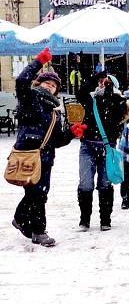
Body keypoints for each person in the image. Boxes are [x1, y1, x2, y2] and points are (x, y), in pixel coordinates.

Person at [11, 48, 84, 247]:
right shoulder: (29, 99)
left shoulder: (54, 112)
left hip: (45, 157)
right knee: (37, 194)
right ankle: (38, 231)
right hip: (28, 154)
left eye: (54, 85)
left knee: (37, 193)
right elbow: (20, 81)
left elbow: (57, 140)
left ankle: (22, 220)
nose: (50, 87)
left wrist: (71, 133)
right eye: (47, 83)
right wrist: (37, 62)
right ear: (39, 83)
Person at [76, 69, 128, 232]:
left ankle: (105, 219)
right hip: (88, 146)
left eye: (106, 82)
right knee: (85, 184)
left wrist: (110, 93)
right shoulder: (91, 100)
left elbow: (118, 116)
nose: (102, 85)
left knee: (105, 183)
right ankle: (84, 220)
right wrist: (94, 79)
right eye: (101, 82)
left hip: (107, 148)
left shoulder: (119, 101)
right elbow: (81, 93)